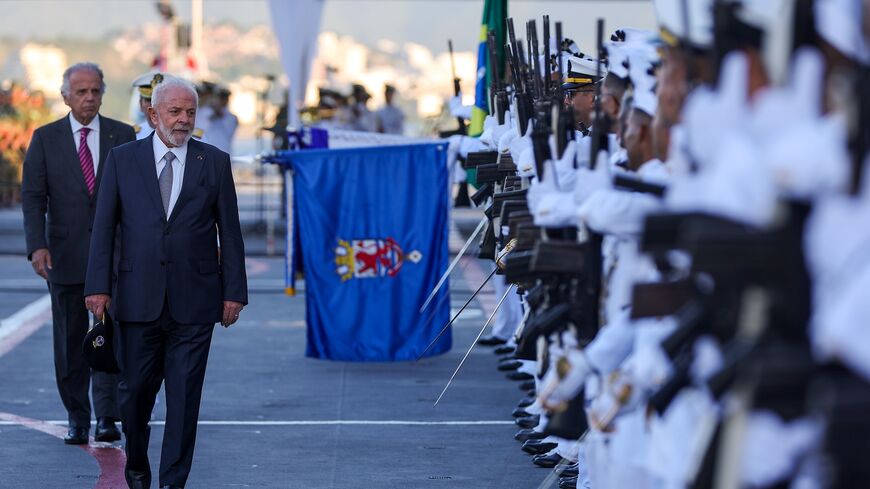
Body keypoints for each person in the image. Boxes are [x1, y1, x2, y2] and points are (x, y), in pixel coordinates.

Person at [83, 76, 248, 489]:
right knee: (134, 398)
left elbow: (229, 232)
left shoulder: (213, 161)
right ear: (153, 114)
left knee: (185, 401)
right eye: (174, 112)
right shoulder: (123, 160)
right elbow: (103, 228)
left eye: (190, 112)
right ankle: (137, 472)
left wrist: (234, 292)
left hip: (195, 303)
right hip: (136, 301)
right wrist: (97, 287)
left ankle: (173, 482)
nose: (184, 120)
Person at [21, 62, 135, 445]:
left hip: (115, 259)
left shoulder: (124, 135)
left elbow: (136, 200)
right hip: (64, 257)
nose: (89, 98)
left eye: (95, 91)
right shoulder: (45, 138)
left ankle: (107, 416)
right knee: (69, 342)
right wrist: (37, 246)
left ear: (103, 93)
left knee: (109, 337)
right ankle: (77, 416)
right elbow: (34, 198)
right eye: (82, 91)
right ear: (65, 96)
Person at [200, 86, 238, 154]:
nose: (220, 101)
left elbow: (217, 114)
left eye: (222, 98)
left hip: (223, 153)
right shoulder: (205, 112)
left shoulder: (231, 118)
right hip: (207, 154)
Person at [131, 72, 165, 140]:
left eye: (160, 100)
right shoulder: (131, 137)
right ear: (140, 104)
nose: (153, 105)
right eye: (149, 100)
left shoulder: (185, 137)